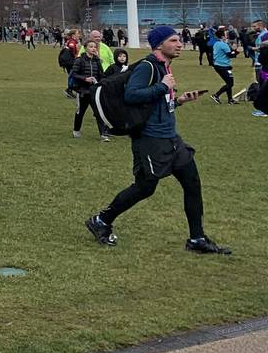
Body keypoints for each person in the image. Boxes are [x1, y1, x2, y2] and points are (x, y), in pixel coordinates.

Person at [85, 26, 231, 255]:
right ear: (159, 45)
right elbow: (131, 95)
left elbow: (158, 104)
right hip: (150, 140)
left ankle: (197, 239)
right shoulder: (147, 66)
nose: (180, 44)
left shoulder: (164, 66)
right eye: (173, 40)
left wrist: (180, 100)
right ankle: (101, 220)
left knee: (192, 183)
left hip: (171, 138)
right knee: (145, 188)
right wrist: (163, 86)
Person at [69, 40, 111, 141]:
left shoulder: (97, 61)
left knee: (98, 112)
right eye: (91, 46)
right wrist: (84, 78)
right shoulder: (79, 60)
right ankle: (76, 130)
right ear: (86, 48)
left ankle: (103, 134)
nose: (93, 48)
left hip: (94, 90)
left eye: (94, 47)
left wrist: (102, 83)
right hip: (83, 90)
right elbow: (74, 74)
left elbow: (101, 74)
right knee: (81, 112)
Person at [209, 26, 235, 103]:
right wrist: (236, 51)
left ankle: (230, 100)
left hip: (219, 65)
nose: (227, 36)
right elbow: (230, 55)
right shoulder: (223, 44)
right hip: (223, 66)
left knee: (229, 83)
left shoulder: (216, 43)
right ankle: (216, 95)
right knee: (230, 83)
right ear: (223, 36)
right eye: (226, 34)